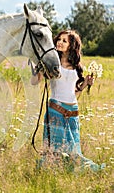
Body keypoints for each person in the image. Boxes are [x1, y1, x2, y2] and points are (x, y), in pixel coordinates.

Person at [31, 30, 105, 172]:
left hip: (72, 111)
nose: (60, 42)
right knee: (55, 147)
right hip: (56, 109)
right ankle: (52, 170)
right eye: (59, 39)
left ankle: (67, 170)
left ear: (72, 46)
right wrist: (37, 70)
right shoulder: (52, 63)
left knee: (71, 149)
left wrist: (85, 84)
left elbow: (74, 92)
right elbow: (34, 81)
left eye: (65, 41)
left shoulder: (77, 67)